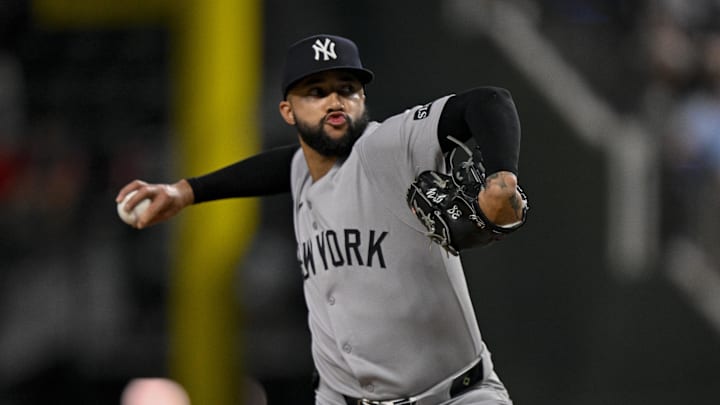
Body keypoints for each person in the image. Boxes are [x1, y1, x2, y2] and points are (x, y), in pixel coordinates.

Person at [116, 34, 527, 405]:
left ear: (362, 99)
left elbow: (490, 101)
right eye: (316, 92)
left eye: (347, 89)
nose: (335, 102)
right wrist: (185, 192)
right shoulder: (302, 170)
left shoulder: (384, 147)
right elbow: (277, 167)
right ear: (287, 111)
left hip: (455, 397)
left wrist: (500, 178)